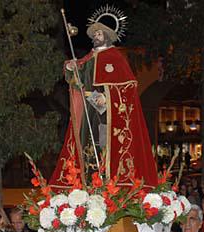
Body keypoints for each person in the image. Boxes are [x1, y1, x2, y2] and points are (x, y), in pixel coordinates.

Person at [50, 21, 157, 188]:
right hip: (89, 111)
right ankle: (92, 183)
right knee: (88, 147)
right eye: (94, 34)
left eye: (99, 34)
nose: (96, 37)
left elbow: (128, 87)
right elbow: (79, 82)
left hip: (108, 114)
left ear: (107, 36)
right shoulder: (89, 58)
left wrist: (107, 98)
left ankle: (109, 183)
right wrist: (72, 68)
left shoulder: (115, 57)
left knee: (105, 145)